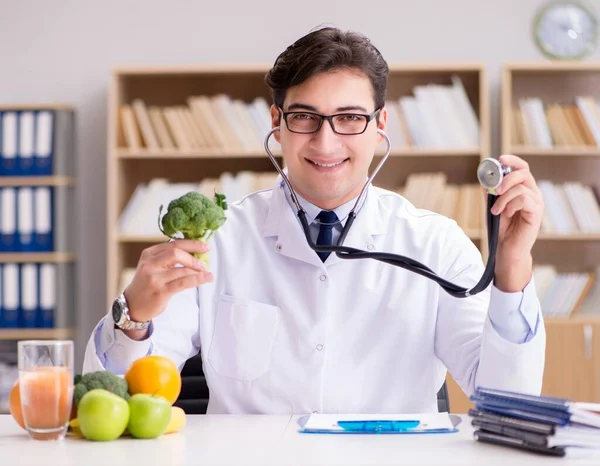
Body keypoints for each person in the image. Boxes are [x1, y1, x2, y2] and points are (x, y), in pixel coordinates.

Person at [83, 26, 546, 414]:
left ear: (381, 125)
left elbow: (508, 402)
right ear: (277, 122)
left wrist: (511, 268)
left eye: (349, 118)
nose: (325, 143)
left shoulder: (436, 243)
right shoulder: (216, 242)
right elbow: (115, 401)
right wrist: (133, 317)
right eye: (305, 117)